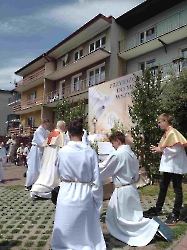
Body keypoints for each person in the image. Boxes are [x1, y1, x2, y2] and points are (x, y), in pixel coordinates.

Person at [51, 120, 106, 250]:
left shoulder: (62, 152)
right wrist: (98, 199)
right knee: (84, 226)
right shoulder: (90, 152)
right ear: (82, 133)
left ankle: (63, 244)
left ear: (68, 134)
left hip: (66, 191)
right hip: (84, 193)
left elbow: (57, 171)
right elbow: (97, 180)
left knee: (66, 222)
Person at [99, 131, 160, 247]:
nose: (113, 146)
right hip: (131, 188)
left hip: (122, 190)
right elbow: (136, 176)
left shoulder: (118, 154)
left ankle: (150, 227)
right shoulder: (132, 154)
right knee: (132, 216)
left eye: (113, 144)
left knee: (121, 219)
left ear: (117, 141)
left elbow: (103, 169)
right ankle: (146, 229)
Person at [143, 113, 187, 225]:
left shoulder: (173, 132)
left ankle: (176, 214)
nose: (159, 124)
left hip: (175, 166)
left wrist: (160, 150)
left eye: (160, 122)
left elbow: (175, 150)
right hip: (169, 166)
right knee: (163, 187)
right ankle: (158, 209)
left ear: (166, 121)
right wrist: (158, 149)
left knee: (177, 189)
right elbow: (165, 147)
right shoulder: (167, 133)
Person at [31, 120, 66, 199]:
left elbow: (45, 145)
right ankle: (45, 190)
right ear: (63, 127)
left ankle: (37, 188)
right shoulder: (61, 134)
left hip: (48, 158)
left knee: (46, 174)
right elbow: (63, 148)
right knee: (52, 177)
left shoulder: (51, 133)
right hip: (55, 158)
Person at [25, 119, 50, 190]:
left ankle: (38, 183)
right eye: (46, 123)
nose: (47, 124)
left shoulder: (46, 131)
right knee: (34, 167)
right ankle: (29, 184)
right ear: (42, 123)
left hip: (42, 150)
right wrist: (49, 144)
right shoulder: (38, 131)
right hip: (36, 150)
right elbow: (42, 142)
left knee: (40, 167)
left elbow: (49, 139)